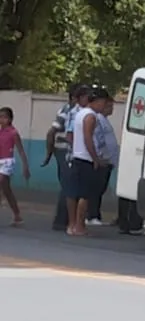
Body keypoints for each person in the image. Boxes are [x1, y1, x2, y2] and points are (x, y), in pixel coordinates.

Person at [65, 87, 109, 236]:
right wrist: (95, 158)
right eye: (104, 103)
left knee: (72, 192)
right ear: (97, 101)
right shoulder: (91, 116)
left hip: (76, 156)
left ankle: (71, 224)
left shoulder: (79, 113)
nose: (104, 107)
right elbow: (88, 138)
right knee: (85, 194)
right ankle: (80, 225)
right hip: (86, 158)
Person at [45, 84, 87, 231]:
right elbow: (51, 133)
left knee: (70, 185)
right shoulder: (67, 111)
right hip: (64, 150)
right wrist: (49, 154)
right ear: (74, 98)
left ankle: (68, 220)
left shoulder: (79, 111)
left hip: (70, 151)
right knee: (68, 186)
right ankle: (61, 221)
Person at [86, 97, 119, 226]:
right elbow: (97, 139)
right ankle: (92, 215)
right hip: (102, 160)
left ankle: (95, 214)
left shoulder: (105, 120)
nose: (112, 109)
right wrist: (99, 157)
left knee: (101, 188)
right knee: (96, 189)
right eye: (109, 106)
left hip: (108, 160)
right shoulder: (98, 119)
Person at [0, 106, 31, 225]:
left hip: (7, 162)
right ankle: (17, 214)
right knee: (7, 191)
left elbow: (21, 150)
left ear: (10, 119)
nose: (2, 120)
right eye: (0, 117)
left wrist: (25, 166)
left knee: (1, 180)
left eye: (5, 117)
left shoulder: (13, 133)